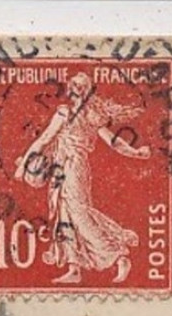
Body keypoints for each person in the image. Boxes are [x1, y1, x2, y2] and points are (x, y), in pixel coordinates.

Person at [14, 71, 151, 285]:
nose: (75, 91)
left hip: (73, 167)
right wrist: (136, 153)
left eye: (77, 87)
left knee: (78, 214)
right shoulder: (87, 116)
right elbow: (113, 142)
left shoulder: (75, 115)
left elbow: (43, 140)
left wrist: (23, 167)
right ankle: (74, 267)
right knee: (64, 214)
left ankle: (117, 255)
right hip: (64, 167)